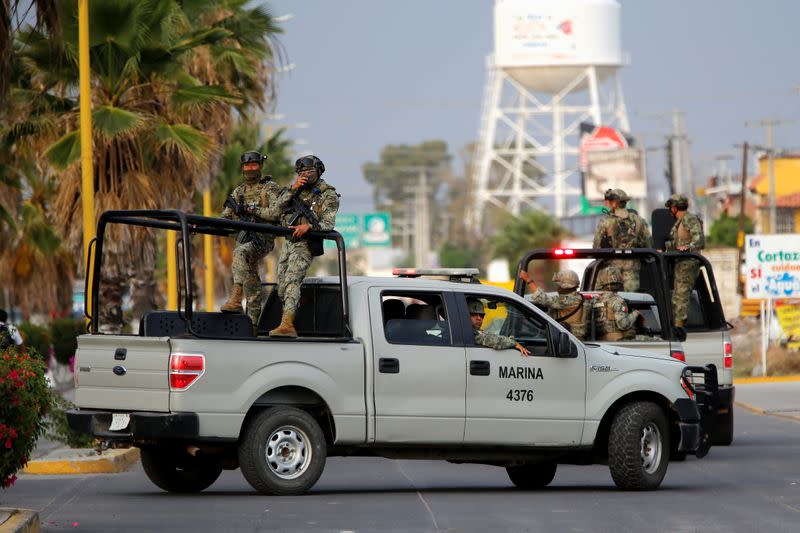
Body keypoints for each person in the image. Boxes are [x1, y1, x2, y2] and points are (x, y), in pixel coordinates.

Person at [269, 156, 340, 337]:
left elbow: (328, 223)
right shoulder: (295, 191)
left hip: (306, 244)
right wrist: (293, 188)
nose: (305, 175)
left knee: (293, 280)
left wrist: (308, 227)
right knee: (282, 287)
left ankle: (287, 325)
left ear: (319, 171)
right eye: (302, 172)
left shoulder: (328, 194)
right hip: (289, 242)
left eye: (309, 172)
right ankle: (291, 319)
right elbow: (275, 210)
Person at [220, 151, 285, 331]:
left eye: (254, 165)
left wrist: (251, 210)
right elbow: (225, 217)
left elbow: (275, 213)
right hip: (245, 238)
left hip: (262, 238)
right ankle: (253, 327)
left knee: (240, 252)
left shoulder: (269, 188)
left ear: (260, 166)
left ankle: (235, 299)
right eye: (247, 166)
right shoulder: (239, 191)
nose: (250, 169)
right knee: (251, 280)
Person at [593, 188, 653, 292]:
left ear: (614, 203)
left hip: (611, 273)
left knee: (612, 302)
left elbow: (596, 248)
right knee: (632, 301)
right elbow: (648, 245)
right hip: (633, 271)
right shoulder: (639, 220)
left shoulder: (605, 222)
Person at [665, 194, 705, 328]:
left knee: (681, 297)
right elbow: (678, 243)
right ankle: (676, 325)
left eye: (671, 207)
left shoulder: (690, 219)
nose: (670, 210)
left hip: (688, 264)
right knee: (676, 298)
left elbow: (699, 240)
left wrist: (688, 248)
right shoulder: (680, 222)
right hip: (680, 264)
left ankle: (678, 329)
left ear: (675, 207)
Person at [520, 269, 587, 340]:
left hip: (570, 341)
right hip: (566, 338)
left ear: (565, 287)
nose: (557, 287)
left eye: (559, 285)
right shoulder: (575, 297)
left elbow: (543, 299)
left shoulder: (570, 300)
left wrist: (528, 280)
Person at [591, 266, 642, 341]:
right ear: (620, 282)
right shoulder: (618, 300)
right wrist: (636, 313)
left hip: (600, 341)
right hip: (617, 341)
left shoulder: (595, 301)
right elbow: (623, 325)